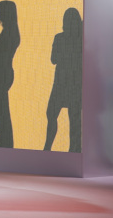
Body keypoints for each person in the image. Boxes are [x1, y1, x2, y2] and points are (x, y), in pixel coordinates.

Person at [44, 8, 82, 152]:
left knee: (53, 114)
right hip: (72, 84)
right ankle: (73, 149)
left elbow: (54, 59)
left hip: (62, 84)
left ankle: (48, 147)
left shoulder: (59, 38)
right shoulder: (79, 40)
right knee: (74, 119)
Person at [0, 0, 20, 148]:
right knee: (0, 109)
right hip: (4, 72)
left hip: (2, 73)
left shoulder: (9, 32)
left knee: (1, 110)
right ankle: (4, 141)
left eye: (0, 9)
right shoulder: (10, 31)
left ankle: (5, 141)